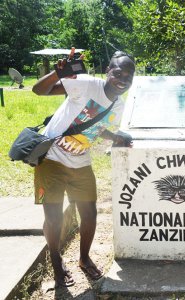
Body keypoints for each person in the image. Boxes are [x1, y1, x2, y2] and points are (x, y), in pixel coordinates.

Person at [32, 48, 135, 287]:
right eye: (118, 73)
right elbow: (39, 90)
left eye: (128, 77)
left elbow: (98, 128)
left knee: (89, 213)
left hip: (81, 162)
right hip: (52, 158)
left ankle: (84, 258)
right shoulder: (87, 85)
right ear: (108, 71)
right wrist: (59, 72)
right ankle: (57, 263)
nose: (122, 80)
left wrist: (116, 137)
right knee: (54, 217)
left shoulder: (118, 105)